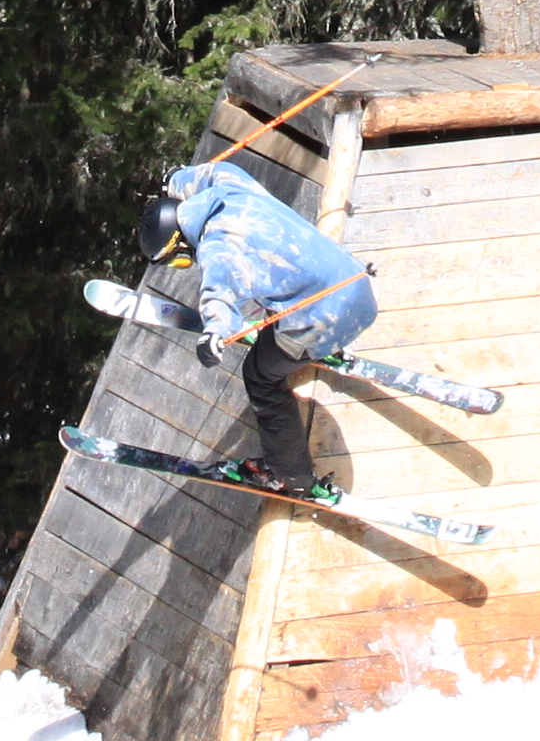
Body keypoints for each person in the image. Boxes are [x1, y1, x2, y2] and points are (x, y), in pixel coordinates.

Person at [146, 156, 379, 498]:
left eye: (180, 259)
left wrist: (215, 331)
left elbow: (219, 291)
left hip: (327, 320)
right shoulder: (232, 192)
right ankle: (317, 344)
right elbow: (214, 172)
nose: (188, 262)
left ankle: (291, 476)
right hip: (359, 286)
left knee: (260, 376)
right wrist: (176, 180)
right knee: (274, 290)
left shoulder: (216, 246)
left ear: (180, 242)